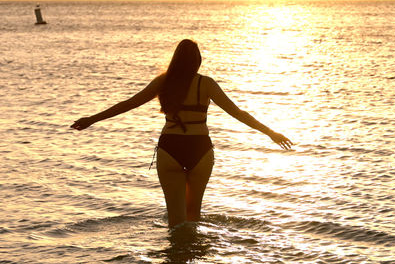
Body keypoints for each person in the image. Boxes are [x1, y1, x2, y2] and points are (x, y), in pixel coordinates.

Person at [71, 39, 293, 228]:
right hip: (200, 149)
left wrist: (92, 119)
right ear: (197, 61)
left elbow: (129, 104)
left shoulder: (164, 81)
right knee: (193, 217)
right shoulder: (206, 84)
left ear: (176, 59)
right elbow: (238, 113)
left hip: (170, 148)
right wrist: (270, 133)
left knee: (176, 222)